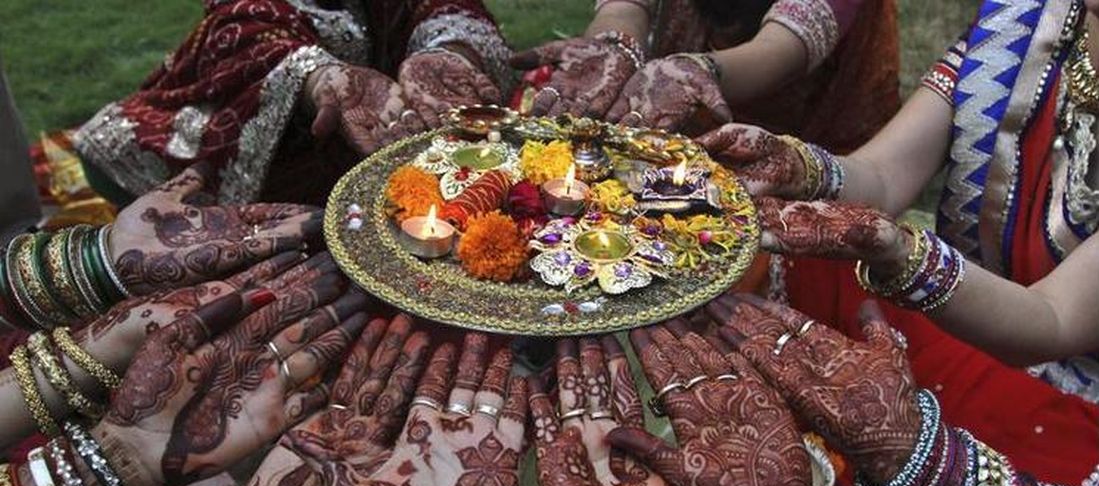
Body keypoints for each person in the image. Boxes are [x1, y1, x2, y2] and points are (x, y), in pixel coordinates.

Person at [699, 0, 1099, 486]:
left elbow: (1051, 320)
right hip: (960, 312)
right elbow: (883, 177)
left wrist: (902, 251)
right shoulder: (1019, 21)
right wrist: (799, 167)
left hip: (1071, 387)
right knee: (784, 246)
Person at [74, 0, 510, 207]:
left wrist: (451, 52)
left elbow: (440, 6)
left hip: (374, 130)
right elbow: (246, 31)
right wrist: (316, 75)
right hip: (228, 141)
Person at [513, 0, 900, 152]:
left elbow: (785, 46)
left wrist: (700, 70)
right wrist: (614, 44)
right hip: (675, 77)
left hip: (802, 104)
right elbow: (625, 7)